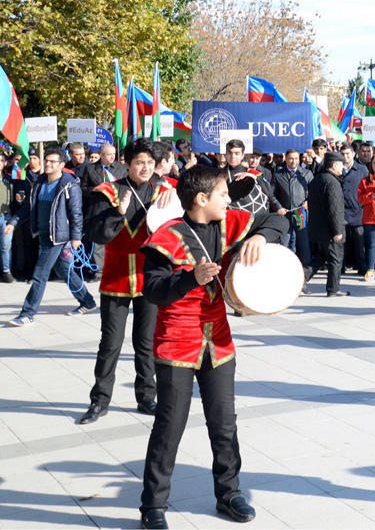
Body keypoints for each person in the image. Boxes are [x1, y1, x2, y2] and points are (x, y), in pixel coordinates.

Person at [138, 164, 289, 529]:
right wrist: (190, 278)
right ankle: (153, 507)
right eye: (223, 194)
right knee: (169, 426)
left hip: (218, 341)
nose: (229, 200)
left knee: (224, 424)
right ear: (201, 199)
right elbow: (153, 290)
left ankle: (229, 492)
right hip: (177, 342)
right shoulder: (166, 237)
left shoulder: (230, 223)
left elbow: (280, 220)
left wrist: (261, 237)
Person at [79, 139, 174, 424]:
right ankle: (99, 400)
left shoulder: (164, 192)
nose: (145, 168)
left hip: (150, 279)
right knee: (110, 342)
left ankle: (146, 397)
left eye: (149, 163)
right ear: (127, 163)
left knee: (146, 343)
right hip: (116, 278)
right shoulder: (107, 192)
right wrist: (117, 213)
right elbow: (96, 234)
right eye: (139, 162)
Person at [6, 148, 95, 325]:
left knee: (40, 274)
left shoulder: (70, 185)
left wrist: (76, 237)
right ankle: (87, 301)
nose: (47, 164)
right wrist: (14, 222)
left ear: (62, 165)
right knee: (64, 270)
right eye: (46, 160)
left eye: (52, 161)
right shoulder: (39, 182)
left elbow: (76, 213)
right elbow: (29, 207)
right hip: (44, 234)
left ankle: (27, 314)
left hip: (59, 237)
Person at [304, 151, 348, 297]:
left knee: (319, 258)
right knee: (335, 259)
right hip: (330, 230)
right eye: (341, 165)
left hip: (317, 228)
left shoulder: (317, 179)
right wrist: (337, 230)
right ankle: (333, 289)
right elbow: (334, 208)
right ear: (334, 165)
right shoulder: (332, 182)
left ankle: (300, 280)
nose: (342, 168)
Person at [339, 144, 367, 277]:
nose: (345, 157)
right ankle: (341, 266)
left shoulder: (362, 170)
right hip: (341, 211)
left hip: (358, 211)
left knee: (359, 242)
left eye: (348, 154)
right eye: (343, 154)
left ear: (353, 154)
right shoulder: (337, 169)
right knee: (341, 242)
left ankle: (362, 266)